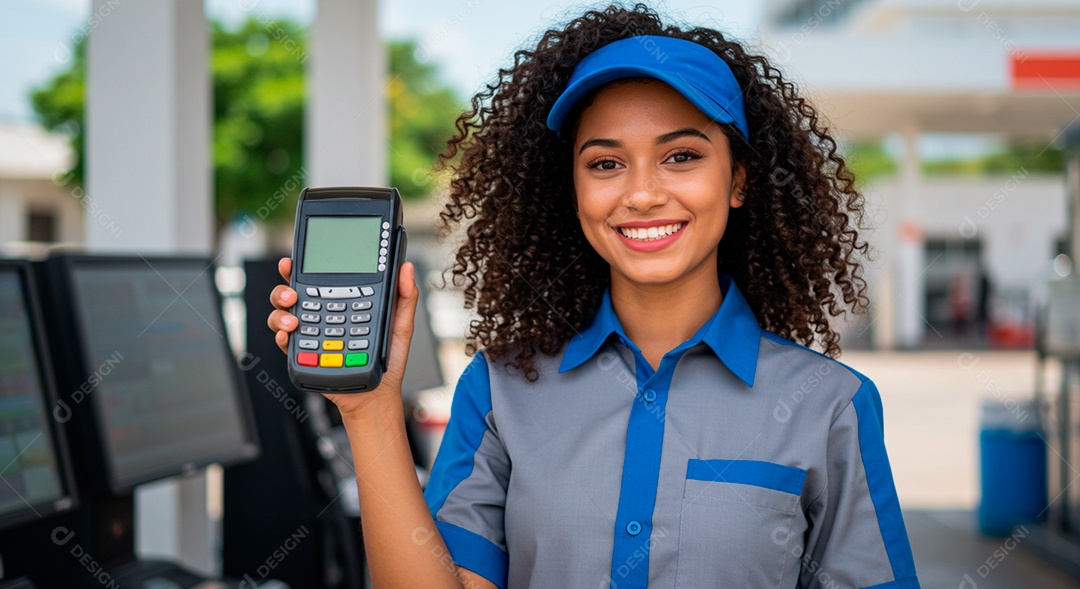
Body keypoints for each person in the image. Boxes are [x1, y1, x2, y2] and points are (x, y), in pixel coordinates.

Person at [268, 4, 920, 588]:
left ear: (740, 178)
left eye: (681, 156)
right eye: (605, 163)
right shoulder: (499, 390)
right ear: (574, 189)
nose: (640, 194)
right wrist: (371, 411)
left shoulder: (831, 406)